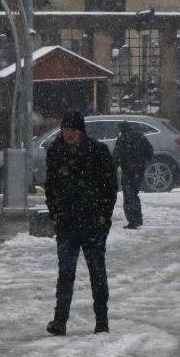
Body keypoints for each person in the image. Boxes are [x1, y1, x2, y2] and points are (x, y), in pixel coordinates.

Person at [45, 111, 118, 336]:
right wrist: (56, 213)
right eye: (66, 130)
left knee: (97, 272)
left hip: (92, 223)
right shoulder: (56, 152)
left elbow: (109, 187)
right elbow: (51, 186)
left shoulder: (97, 152)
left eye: (73, 130)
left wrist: (103, 216)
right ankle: (60, 320)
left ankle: (102, 320)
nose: (69, 135)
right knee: (65, 272)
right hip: (67, 223)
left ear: (81, 131)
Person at [113, 121, 153, 229]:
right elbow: (150, 151)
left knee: (128, 195)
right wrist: (143, 162)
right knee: (134, 194)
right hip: (138, 170)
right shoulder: (140, 137)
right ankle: (137, 218)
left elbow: (116, 156)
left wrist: (114, 169)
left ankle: (132, 220)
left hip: (127, 171)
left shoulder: (121, 140)